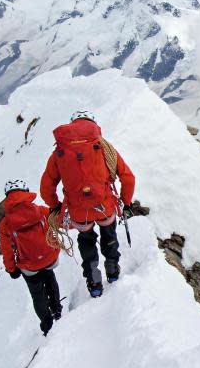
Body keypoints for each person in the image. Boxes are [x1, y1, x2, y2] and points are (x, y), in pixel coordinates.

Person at [40, 110, 135, 298]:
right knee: (109, 234)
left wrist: (55, 206)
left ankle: (94, 282)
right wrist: (126, 202)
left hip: (78, 211)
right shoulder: (104, 147)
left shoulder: (59, 151)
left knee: (86, 242)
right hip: (105, 206)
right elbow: (128, 177)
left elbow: (46, 186)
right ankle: (113, 270)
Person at [0, 179, 63, 335]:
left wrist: (11, 269)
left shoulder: (6, 223)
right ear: (25, 193)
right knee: (50, 279)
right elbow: (58, 219)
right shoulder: (40, 210)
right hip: (49, 257)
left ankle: (47, 323)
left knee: (37, 293)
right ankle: (57, 311)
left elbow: (7, 250)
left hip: (28, 266)